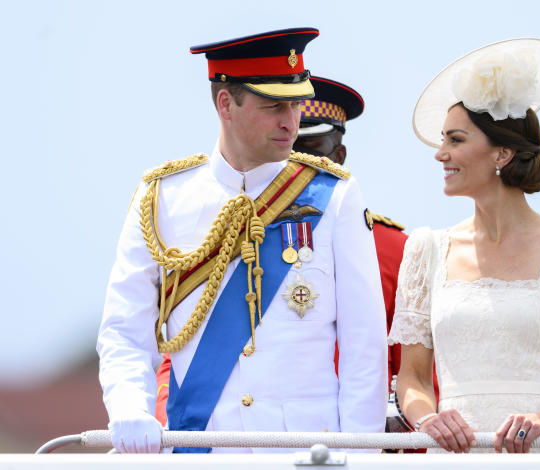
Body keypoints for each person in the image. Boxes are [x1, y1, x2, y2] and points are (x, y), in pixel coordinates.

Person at [97, 28, 388, 454]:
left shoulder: (335, 195)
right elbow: (124, 330)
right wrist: (129, 407)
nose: (291, 121)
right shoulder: (161, 198)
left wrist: (362, 458)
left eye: (295, 104)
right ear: (225, 104)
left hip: (306, 454)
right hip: (200, 448)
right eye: (273, 106)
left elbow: (365, 347)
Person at [153, 76, 438, 431]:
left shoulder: (396, 251)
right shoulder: (220, 231)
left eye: (310, 151)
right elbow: (188, 349)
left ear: (338, 158)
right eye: (287, 151)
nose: (294, 169)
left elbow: (404, 369)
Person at [388, 38, 540, 454]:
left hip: (538, 455)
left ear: (503, 153)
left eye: (455, 140)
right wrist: (428, 418)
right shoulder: (426, 250)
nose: (440, 154)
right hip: (451, 457)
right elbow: (413, 379)